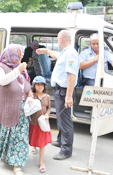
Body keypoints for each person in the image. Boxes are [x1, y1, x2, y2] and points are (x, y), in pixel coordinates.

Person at [36, 30, 79, 160]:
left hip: (64, 91)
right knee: (60, 118)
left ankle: (66, 150)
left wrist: (69, 96)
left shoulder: (70, 53)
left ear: (60, 39)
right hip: (59, 90)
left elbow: (72, 75)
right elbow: (57, 55)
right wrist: (46, 51)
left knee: (65, 121)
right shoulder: (66, 52)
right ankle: (61, 141)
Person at [0, 44, 31, 175]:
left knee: (20, 137)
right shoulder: (1, 67)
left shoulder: (21, 70)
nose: (21, 57)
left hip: (22, 111)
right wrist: (17, 70)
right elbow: (2, 81)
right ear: (12, 55)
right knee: (8, 135)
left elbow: (25, 85)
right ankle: (6, 155)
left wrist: (29, 93)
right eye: (19, 55)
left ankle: (17, 165)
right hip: (7, 108)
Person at [29, 76, 52, 173]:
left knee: (42, 143)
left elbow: (49, 108)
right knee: (34, 139)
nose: (40, 86)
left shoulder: (47, 97)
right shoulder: (31, 96)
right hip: (33, 123)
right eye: (38, 84)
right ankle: (34, 147)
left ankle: (41, 162)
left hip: (43, 124)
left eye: (42, 84)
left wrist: (47, 114)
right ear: (34, 85)